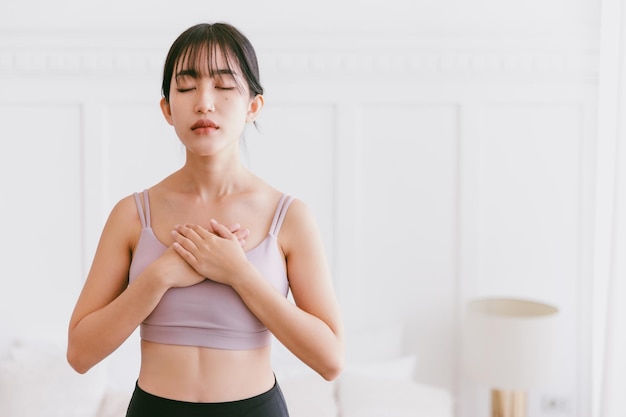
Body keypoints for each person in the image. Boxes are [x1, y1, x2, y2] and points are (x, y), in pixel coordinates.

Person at [67, 22, 344, 417]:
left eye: (224, 86)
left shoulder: (289, 217)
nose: (204, 103)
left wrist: (239, 273)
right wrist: (160, 276)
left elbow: (331, 361)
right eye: (186, 87)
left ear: (253, 106)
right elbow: (79, 353)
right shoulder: (131, 215)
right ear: (167, 108)